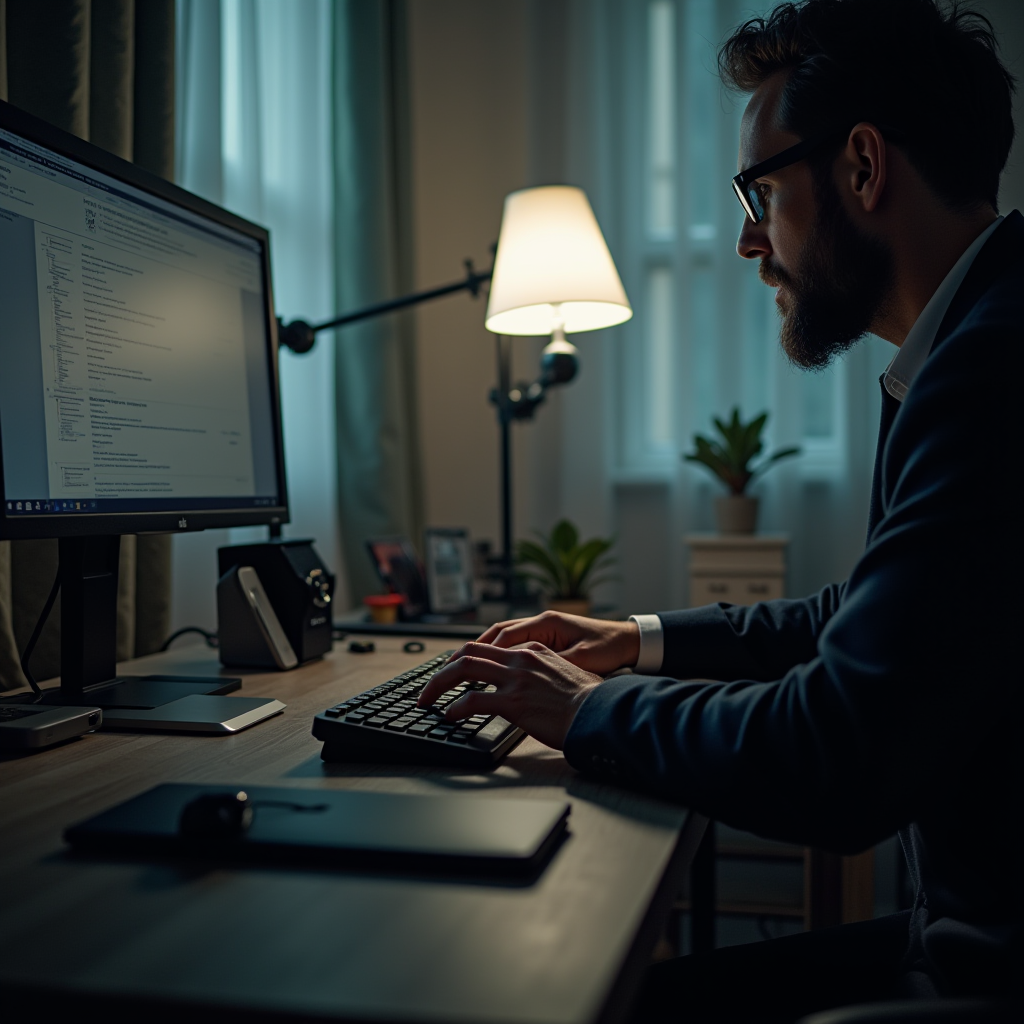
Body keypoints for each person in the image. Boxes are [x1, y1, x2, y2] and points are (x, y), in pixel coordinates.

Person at [418, 0, 1022, 1019]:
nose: (750, 242)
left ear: (862, 167)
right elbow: (865, 624)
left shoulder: (991, 371)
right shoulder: (974, 339)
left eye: (761, 192)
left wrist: (585, 709)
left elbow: (840, 752)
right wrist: (633, 642)